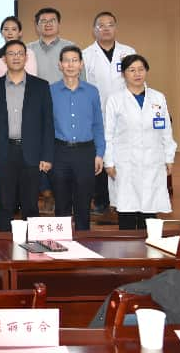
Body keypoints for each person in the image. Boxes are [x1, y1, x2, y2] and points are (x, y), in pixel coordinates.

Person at [0, 40, 54, 232]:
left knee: (30, 206)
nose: (16, 57)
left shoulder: (41, 86)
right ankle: (3, 246)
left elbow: (48, 124)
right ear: (4, 59)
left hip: (31, 153)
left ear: (26, 57)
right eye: (11, 54)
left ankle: (32, 247)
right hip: (4, 153)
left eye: (20, 53)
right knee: (5, 205)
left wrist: (47, 156)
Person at [103, 54, 176, 230]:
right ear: (123, 74)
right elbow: (108, 134)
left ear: (146, 71)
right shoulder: (115, 99)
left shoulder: (158, 98)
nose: (137, 74)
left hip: (153, 160)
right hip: (125, 162)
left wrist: (169, 157)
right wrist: (109, 162)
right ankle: (127, 245)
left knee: (150, 209)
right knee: (127, 208)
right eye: (132, 70)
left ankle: (149, 245)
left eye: (141, 69)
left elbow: (166, 130)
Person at [83, 11, 136, 219]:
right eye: (101, 25)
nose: (106, 29)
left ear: (116, 28)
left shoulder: (128, 52)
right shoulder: (86, 55)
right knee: (99, 157)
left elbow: (136, 81)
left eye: (110, 24)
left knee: (122, 157)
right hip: (98, 114)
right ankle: (101, 200)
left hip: (124, 114)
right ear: (94, 30)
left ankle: (124, 200)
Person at [49, 46, 105, 231]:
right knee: (61, 204)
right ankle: (60, 243)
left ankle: (84, 243)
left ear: (81, 64)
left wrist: (100, 153)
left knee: (83, 205)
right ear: (60, 65)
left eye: (75, 60)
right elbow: (46, 126)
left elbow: (98, 124)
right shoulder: (50, 91)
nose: (70, 65)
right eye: (66, 60)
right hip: (59, 152)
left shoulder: (92, 91)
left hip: (85, 152)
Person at [27, 7, 79, 85]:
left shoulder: (71, 47)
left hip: (65, 92)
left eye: (52, 21)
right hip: (35, 92)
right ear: (37, 25)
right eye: (43, 21)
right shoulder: (28, 49)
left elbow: (81, 77)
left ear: (59, 24)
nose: (48, 24)